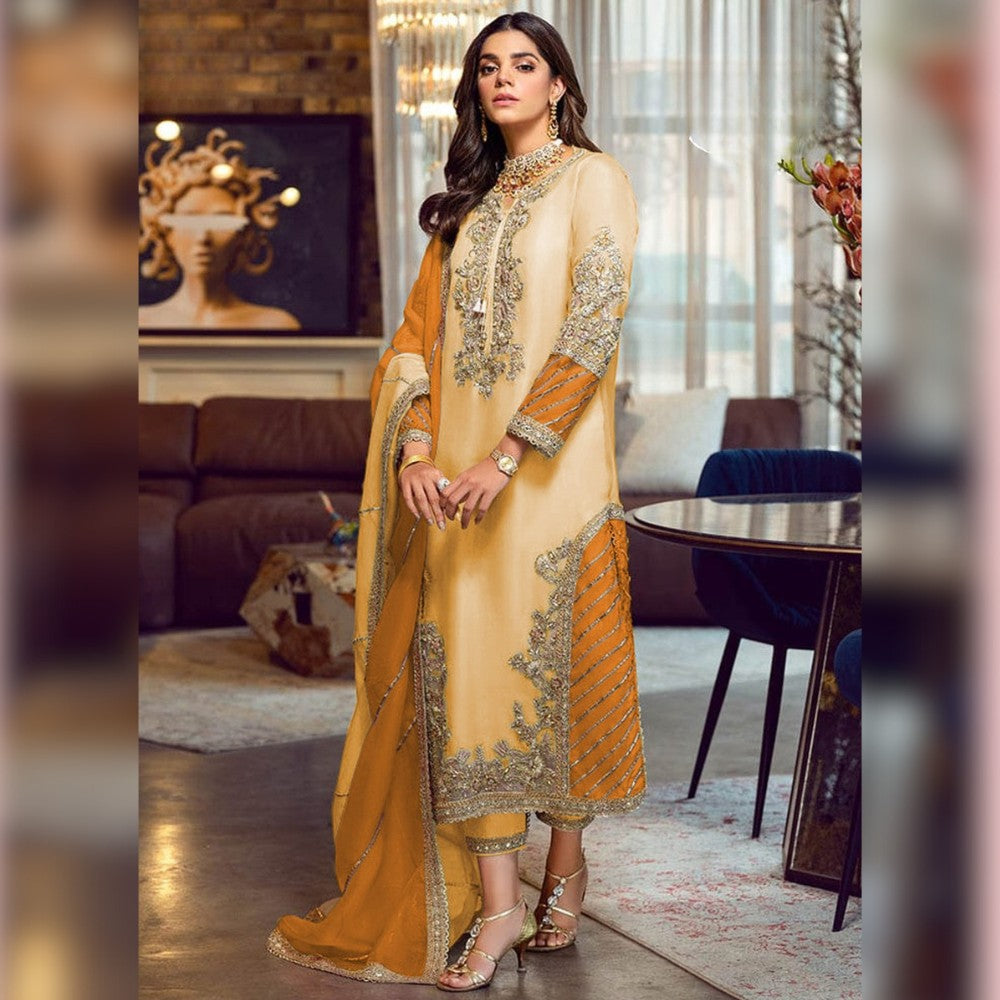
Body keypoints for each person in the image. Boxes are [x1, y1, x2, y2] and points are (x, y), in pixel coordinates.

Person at [268, 12, 646, 991]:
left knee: (555, 681)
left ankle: (564, 860)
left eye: (525, 64)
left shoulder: (591, 181)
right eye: (489, 67)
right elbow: (411, 347)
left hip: (552, 485)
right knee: (469, 683)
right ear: (474, 87)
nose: (504, 79)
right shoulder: (465, 206)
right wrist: (420, 449)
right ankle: (500, 906)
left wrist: (512, 453)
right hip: (454, 493)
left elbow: (593, 324)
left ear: (559, 83)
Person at [138, 127, 300, 330]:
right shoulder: (139, 324)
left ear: (242, 235)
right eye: (188, 221)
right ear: (167, 234)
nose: (203, 236)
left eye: (221, 222)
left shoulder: (276, 325)